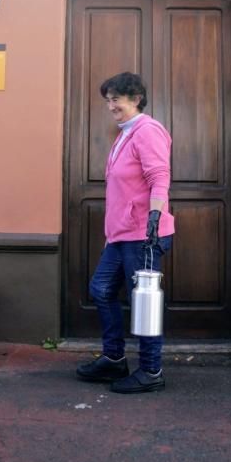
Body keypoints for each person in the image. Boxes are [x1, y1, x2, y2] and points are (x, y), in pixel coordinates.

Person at [76, 71, 174, 394]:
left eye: (116, 99)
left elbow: (159, 177)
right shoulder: (125, 134)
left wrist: (154, 219)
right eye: (108, 100)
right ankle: (115, 358)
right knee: (101, 289)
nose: (111, 105)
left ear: (135, 99)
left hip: (143, 236)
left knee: (145, 303)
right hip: (120, 236)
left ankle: (151, 371)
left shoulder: (147, 131)